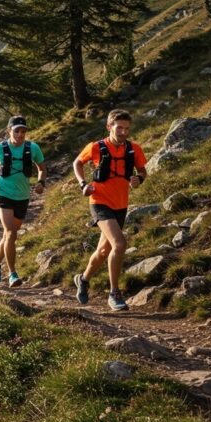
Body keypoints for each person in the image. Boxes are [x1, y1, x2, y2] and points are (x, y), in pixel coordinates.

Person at [72, 109, 148, 311]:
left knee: (104, 250)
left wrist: (138, 179)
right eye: (119, 128)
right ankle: (114, 293)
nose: (123, 132)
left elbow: (142, 171)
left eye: (127, 129)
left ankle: (83, 279)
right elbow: (78, 162)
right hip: (99, 202)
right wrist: (83, 184)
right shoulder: (96, 147)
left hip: (121, 204)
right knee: (120, 244)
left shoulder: (134, 149)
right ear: (109, 127)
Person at [0, 116, 47, 287]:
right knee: (11, 233)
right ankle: (12, 273)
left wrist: (41, 183)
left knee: (8, 236)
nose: (20, 134)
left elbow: (41, 167)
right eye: (16, 131)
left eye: (23, 131)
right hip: (3, 194)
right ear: (9, 131)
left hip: (23, 196)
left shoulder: (33, 148)